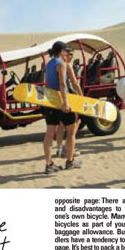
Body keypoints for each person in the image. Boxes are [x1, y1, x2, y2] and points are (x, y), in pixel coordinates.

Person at [42, 41, 82, 173]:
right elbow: (63, 85)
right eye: (65, 50)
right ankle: (70, 161)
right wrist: (65, 103)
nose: (66, 52)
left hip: (50, 103)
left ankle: (49, 164)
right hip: (62, 103)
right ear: (61, 51)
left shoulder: (48, 65)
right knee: (71, 132)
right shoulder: (62, 64)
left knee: (49, 133)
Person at [55, 48, 83, 159]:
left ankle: (59, 149)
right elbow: (74, 83)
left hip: (57, 97)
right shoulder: (66, 65)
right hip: (67, 96)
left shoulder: (55, 66)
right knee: (76, 122)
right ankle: (69, 149)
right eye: (70, 54)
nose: (71, 56)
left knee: (61, 125)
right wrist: (82, 97)